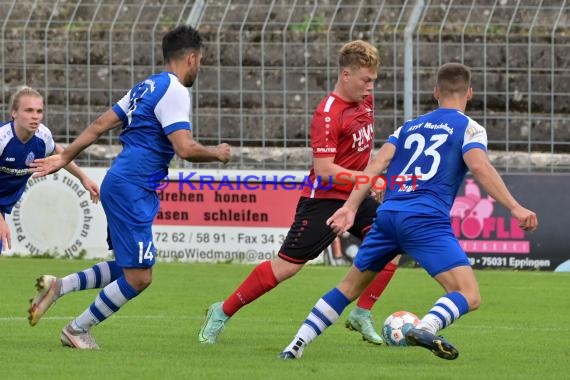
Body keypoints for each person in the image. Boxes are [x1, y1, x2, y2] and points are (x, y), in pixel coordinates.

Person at [279, 62, 538, 360]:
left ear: (435, 92)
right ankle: (426, 326)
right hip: (425, 220)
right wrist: (515, 207)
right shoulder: (469, 128)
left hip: (387, 215)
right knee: (469, 294)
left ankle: (295, 346)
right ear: (469, 93)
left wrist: (350, 207)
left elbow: (375, 166)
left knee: (347, 288)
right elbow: (479, 165)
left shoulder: (408, 127)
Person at [28, 25, 231, 349]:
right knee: (140, 277)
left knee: (128, 264)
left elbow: (98, 125)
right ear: (192, 58)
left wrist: (65, 155)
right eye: (201, 61)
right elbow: (185, 148)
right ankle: (77, 329)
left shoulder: (145, 87)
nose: (199, 67)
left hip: (125, 182)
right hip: (131, 186)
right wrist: (217, 153)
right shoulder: (176, 90)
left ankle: (60, 286)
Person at [199, 40, 399, 346]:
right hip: (323, 200)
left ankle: (361, 313)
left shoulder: (365, 102)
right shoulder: (328, 114)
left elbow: (364, 152)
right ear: (346, 75)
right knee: (287, 267)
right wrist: (367, 179)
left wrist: (366, 186)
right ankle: (221, 311)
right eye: (366, 80)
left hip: (356, 198)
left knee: (392, 245)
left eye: (373, 80)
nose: (371, 87)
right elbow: (325, 170)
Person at [0, 86, 99, 255]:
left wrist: (83, 177)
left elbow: (61, 156)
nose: (35, 116)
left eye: (39, 111)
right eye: (29, 110)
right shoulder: (3, 139)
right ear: (14, 113)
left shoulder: (42, 137)